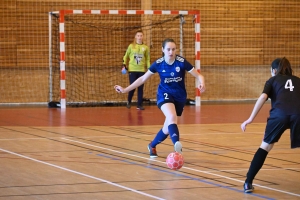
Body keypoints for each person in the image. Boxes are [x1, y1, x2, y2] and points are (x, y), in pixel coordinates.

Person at [115, 38, 205, 158]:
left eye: (173, 49)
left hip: (179, 96)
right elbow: (142, 79)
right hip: (164, 94)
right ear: (163, 50)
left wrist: (202, 83)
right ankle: (177, 146)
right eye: (168, 49)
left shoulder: (181, 62)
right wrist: (125, 89)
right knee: (171, 116)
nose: (171, 52)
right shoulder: (158, 63)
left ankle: (152, 145)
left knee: (167, 128)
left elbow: (199, 75)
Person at [241, 57, 300, 193]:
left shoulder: (272, 80)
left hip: (279, 115)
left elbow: (262, 97)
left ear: (274, 70)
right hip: (298, 114)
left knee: (265, 146)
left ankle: (248, 182)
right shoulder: (298, 81)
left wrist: (250, 119)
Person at [122, 30, 150, 110]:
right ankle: (129, 101)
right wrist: (124, 64)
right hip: (132, 70)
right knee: (132, 86)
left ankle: (139, 104)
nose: (140, 37)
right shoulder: (131, 46)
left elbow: (148, 59)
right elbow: (125, 56)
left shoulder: (145, 47)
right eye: (138, 35)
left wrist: (149, 68)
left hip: (141, 70)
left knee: (140, 87)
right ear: (135, 37)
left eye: (141, 35)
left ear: (143, 37)